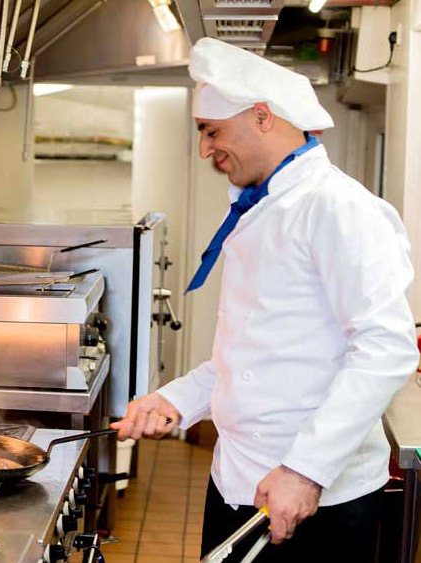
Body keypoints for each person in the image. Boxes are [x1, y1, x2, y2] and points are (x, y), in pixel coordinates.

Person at [111, 38, 419, 563]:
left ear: (261, 117)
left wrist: (305, 472)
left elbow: (386, 350)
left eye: (211, 131)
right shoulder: (263, 207)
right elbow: (255, 354)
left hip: (313, 498)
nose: (206, 149)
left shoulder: (339, 209)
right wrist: (178, 400)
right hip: (239, 482)